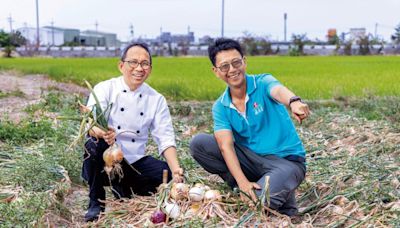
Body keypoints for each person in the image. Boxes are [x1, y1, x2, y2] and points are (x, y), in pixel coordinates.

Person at [190, 38, 310, 216]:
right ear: (216, 71)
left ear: (244, 62)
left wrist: (294, 101)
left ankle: (274, 192)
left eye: (236, 62)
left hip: (286, 163)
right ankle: (255, 188)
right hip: (251, 162)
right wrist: (242, 182)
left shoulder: (262, 83)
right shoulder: (221, 106)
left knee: (260, 204)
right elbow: (225, 146)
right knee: (199, 144)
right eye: (224, 66)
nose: (232, 70)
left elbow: (278, 90)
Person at [82, 42, 183, 222]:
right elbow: (91, 123)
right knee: (93, 143)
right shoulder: (105, 88)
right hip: (107, 158)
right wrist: (102, 132)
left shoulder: (156, 99)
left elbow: (165, 138)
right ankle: (95, 202)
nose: (139, 68)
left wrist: (176, 171)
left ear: (150, 69)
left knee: (165, 173)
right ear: (121, 66)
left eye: (144, 64)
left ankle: (124, 188)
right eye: (133, 62)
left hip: (135, 161)